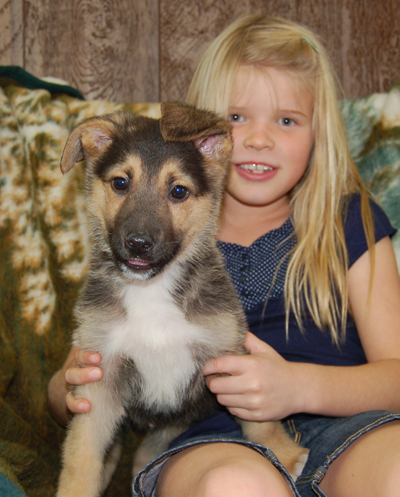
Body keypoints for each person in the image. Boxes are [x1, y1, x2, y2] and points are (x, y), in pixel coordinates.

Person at [48, 15, 400, 497]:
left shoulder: (348, 222)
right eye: (236, 118)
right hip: (211, 440)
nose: (257, 139)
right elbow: (81, 394)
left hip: (347, 426)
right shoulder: (172, 240)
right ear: (204, 138)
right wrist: (66, 388)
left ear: (318, 132)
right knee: (232, 486)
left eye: (287, 120)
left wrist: (299, 388)